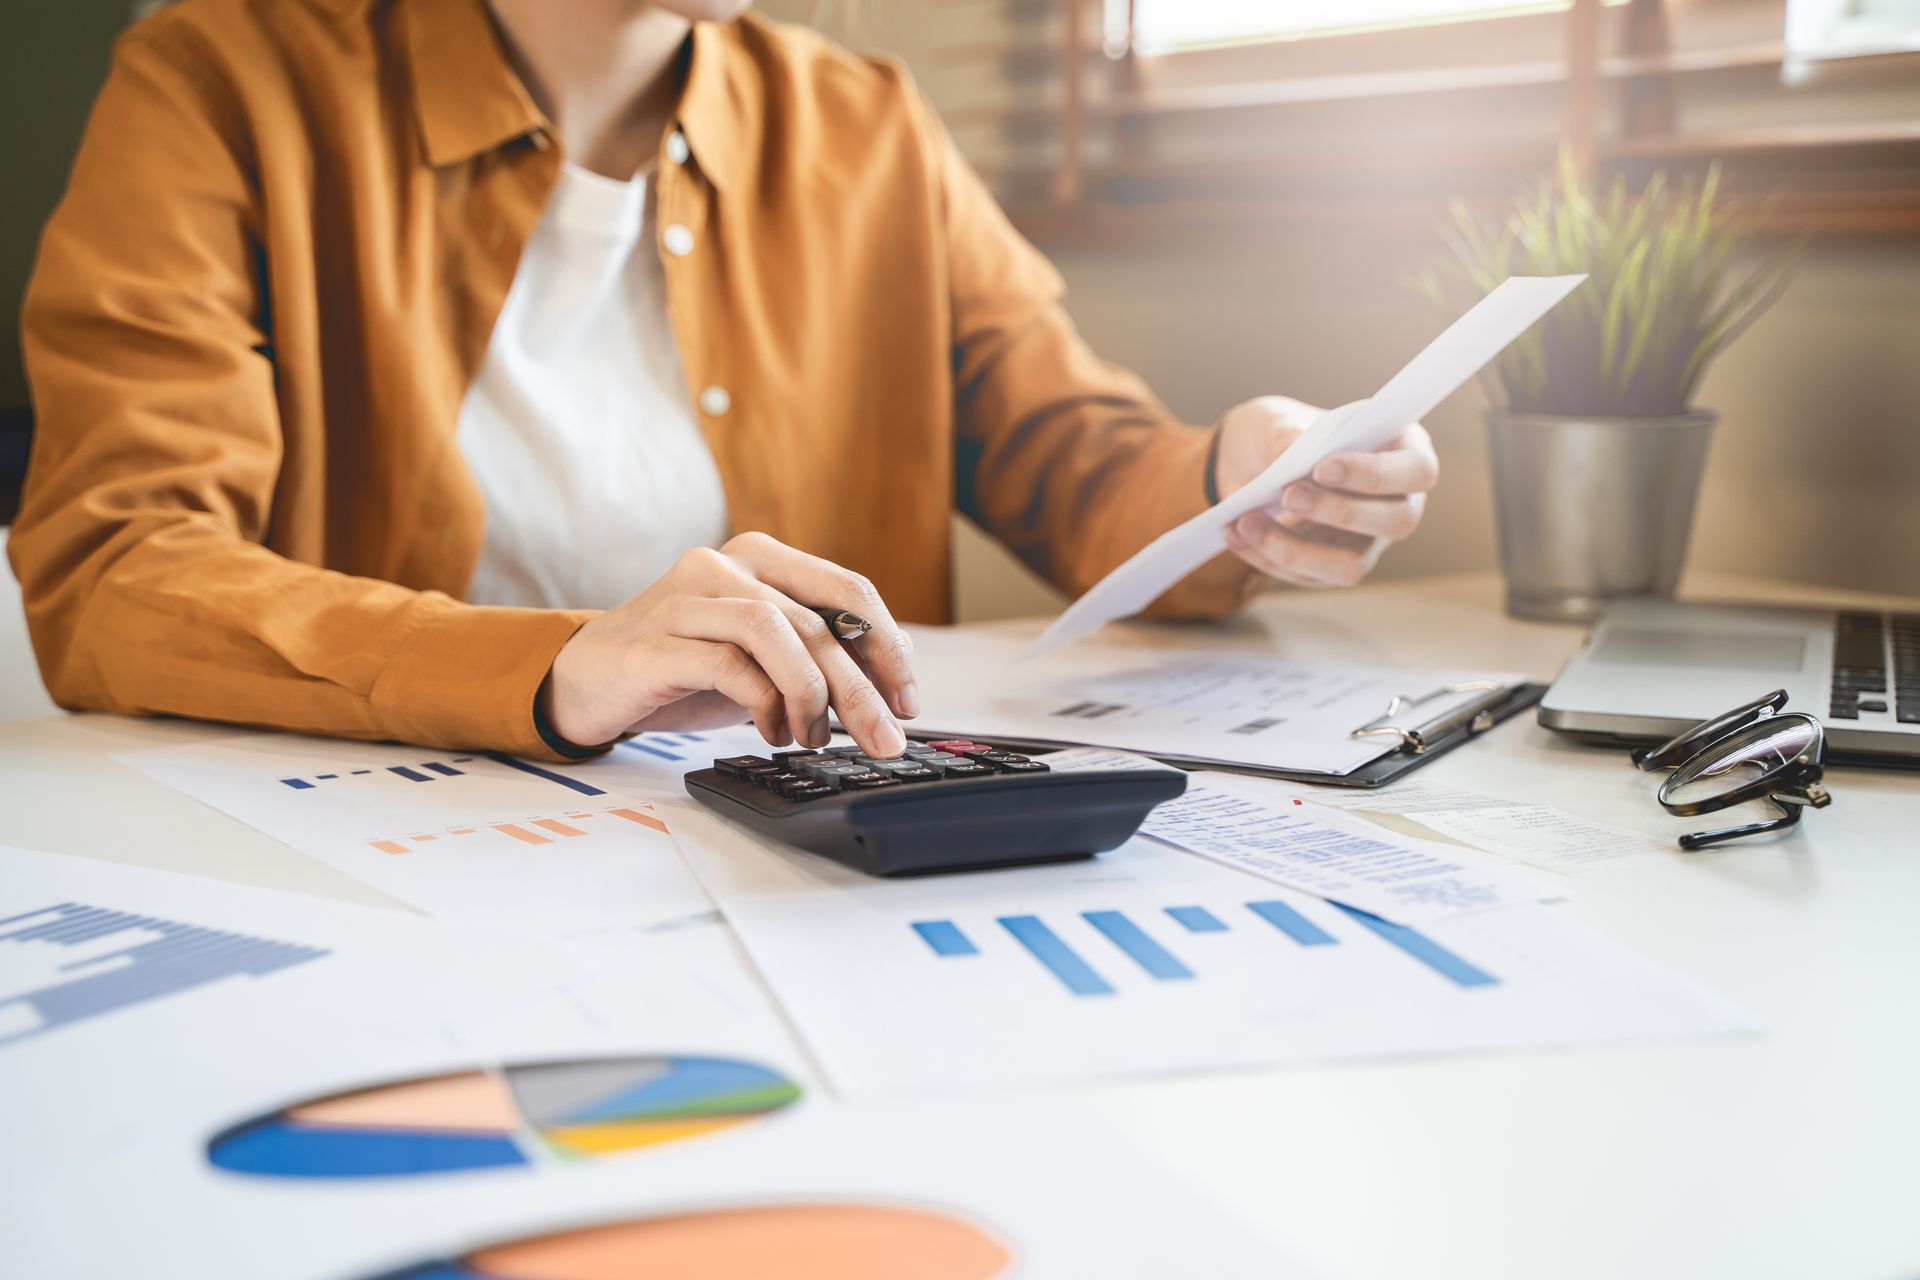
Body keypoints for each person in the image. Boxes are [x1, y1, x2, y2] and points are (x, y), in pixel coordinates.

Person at [10, 0, 1439, 764]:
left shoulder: (862, 125)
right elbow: (115, 568)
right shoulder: (217, 79)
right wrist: (557, 666)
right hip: (372, 869)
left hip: (812, 887)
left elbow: (1076, 462)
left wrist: (1236, 482)